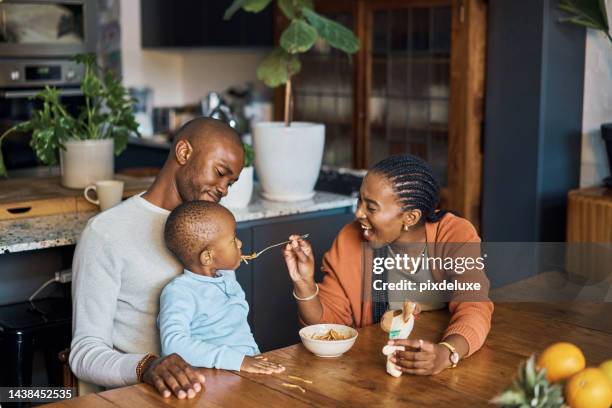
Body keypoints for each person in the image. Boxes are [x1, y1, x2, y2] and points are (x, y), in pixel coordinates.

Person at [70, 117, 245, 399]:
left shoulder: (218, 230)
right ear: (184, 152)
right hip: (141, 397)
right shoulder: (106, 233)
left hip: (219, 392)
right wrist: (146, 367)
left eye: (231, 182)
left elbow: (228, 326)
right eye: (220, 172)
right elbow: (84, 353)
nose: (223, 189)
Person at [283, 154, 494, 376]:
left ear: (410, 217)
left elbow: (474, 306)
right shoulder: (349, 239)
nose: (358, 213)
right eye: (360, 201)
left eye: (371, 208)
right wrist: (303, 283)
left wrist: (447, 352)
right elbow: (329, 325)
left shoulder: (455, 234)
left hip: (451, 367)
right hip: (379, 364)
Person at [159, 201, 285, 374]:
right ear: (208, 257)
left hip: (248, 368)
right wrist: (238, 361)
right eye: (233, 239)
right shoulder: (180, 291)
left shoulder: (226, 278)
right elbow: (172, 344)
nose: (240, 243)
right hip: (215, 376)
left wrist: (249, 359)